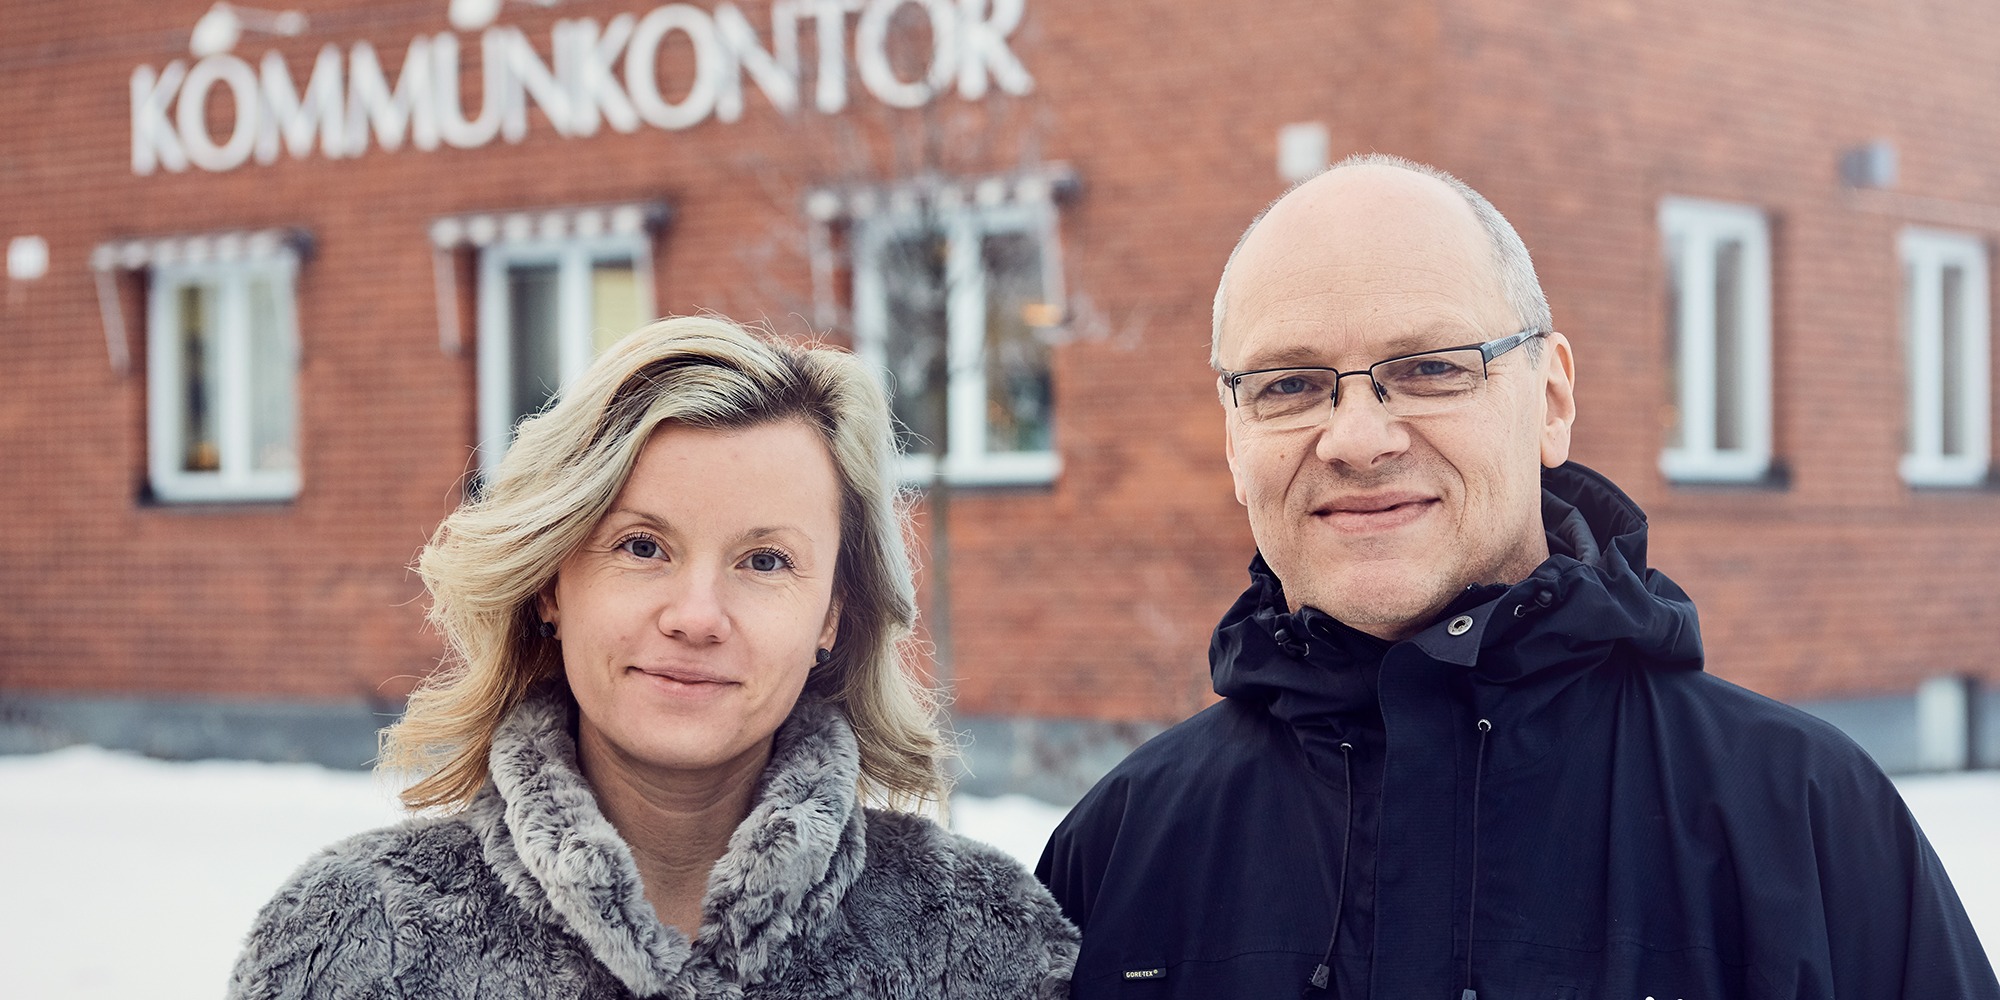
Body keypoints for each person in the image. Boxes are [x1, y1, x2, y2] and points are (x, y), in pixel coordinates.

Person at [1036, 154, 2000, 999]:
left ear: (1551, 398)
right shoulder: (1120, 852)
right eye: (1288, 385)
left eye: (1428, 369)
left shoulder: (1801, 821)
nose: (1359, 439)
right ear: (1234, 440)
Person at [228, 316, 1076, 999]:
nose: (697, 616)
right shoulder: (350, 943)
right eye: (641, 547)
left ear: (834, 613)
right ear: (551, 582)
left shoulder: (975, 943)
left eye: (766, 561)